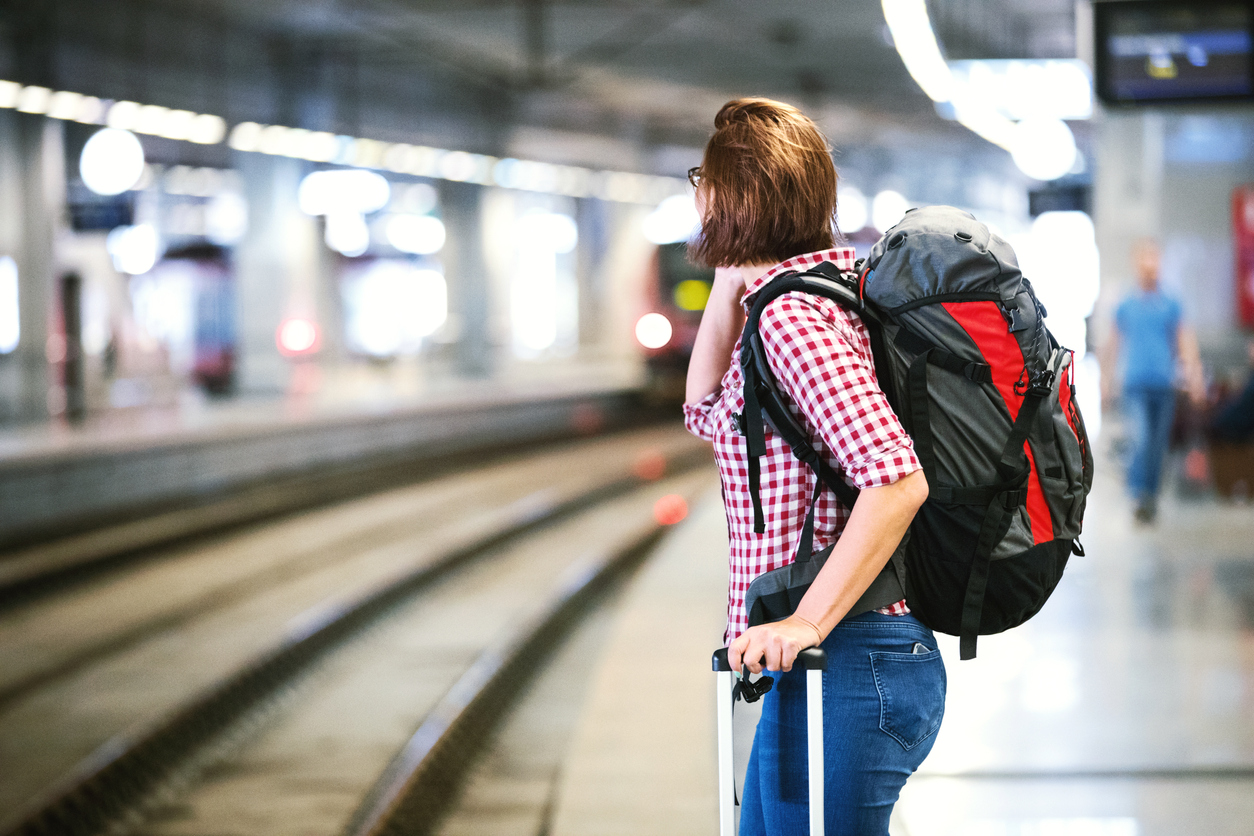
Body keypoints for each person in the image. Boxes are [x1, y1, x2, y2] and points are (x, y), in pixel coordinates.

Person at [682, 98, 944, 835]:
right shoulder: (785, 303)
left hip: (853, 662)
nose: (698, 193)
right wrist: (731, 286)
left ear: (738, 193)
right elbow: (705, 413)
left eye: (705, 178)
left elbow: (897, 479)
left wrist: (804, 621)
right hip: (821, 662)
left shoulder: (796, 321)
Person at [1100, 238, 1205, 523]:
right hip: (1134, 386)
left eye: (1154, 259)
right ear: (1137, 264)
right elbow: (1113, 344)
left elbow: (1185, 341)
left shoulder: (1171, 303)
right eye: (1144, 260)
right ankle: (1139, 496)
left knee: (1158, 446)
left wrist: (1194, 376)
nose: (1150, 266)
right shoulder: (1126, 304)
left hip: (1164, 386)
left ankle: (1151, 495)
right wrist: (1105, 382)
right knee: (1140, 439)